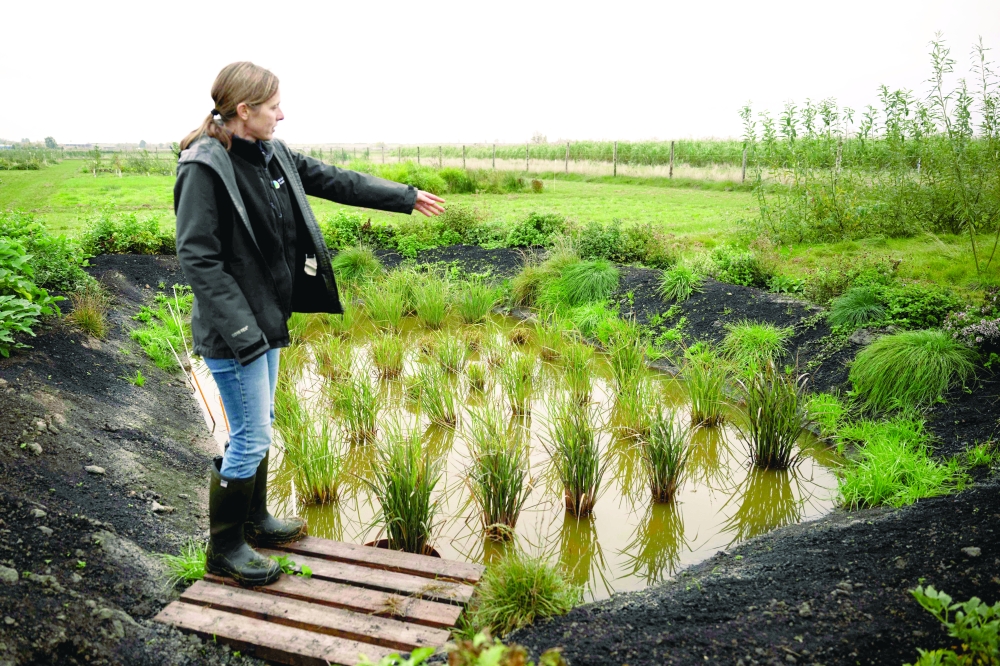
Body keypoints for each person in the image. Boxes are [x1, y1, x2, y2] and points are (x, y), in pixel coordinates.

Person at [174, 61, 444, 586]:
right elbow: (198, 259)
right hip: (237, 333)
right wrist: (246, 334)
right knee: (252, 436)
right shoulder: (203, 167)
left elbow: (334, 179)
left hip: (266, 320)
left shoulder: (271, 153)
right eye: (274, 105)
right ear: (244, 110)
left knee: (256, 426)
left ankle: (254, 520)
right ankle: (224, 549)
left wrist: (405, 197)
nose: (283, 113)